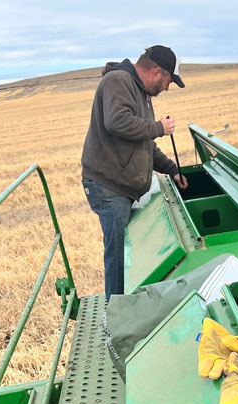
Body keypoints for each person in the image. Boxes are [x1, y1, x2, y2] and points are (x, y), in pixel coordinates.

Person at [81, 45, 188, 301]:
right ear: (157, 71)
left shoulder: (140, 93)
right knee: (118, 255)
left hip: (121, 187)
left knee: (126, 253)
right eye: (169, 81)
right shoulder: (118, 81)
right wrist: (158, 127)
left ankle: (126, 305)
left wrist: (172, 170)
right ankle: (116, 313)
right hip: (109, 187)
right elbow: (117, 121)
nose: (167, 88)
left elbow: (144, 144)